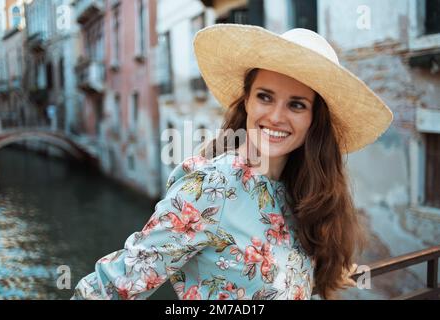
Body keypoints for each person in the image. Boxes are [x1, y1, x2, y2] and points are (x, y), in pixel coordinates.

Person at [72, 24, 392, 300]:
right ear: (248, 102)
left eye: (296, 104)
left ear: (314, 121)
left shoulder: (304, 191)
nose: (276, 116)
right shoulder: (212, 187)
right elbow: (110, 288)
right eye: (265, 96)